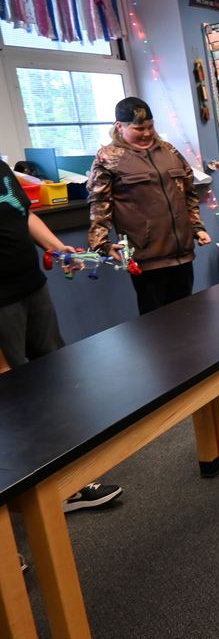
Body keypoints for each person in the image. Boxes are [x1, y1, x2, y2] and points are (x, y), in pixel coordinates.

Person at [0, 160, 123, 512]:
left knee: (53, 374)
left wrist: (58, 247)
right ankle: (31, 493)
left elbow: (23, 214)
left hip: (31, 286)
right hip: (1, 300)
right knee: (15, 393)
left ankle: (68, 480)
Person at [87, 97, 211, 316]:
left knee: (188, 318)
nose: (146, 133)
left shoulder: (169, 151)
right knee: (156, 324)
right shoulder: (108, 157)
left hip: (182, 252)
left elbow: (188, 192)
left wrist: (197, 228)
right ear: (119, 126)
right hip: (146, 257)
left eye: (150, 127)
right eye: (139, 128)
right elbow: (99, 203)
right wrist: (102, 243)